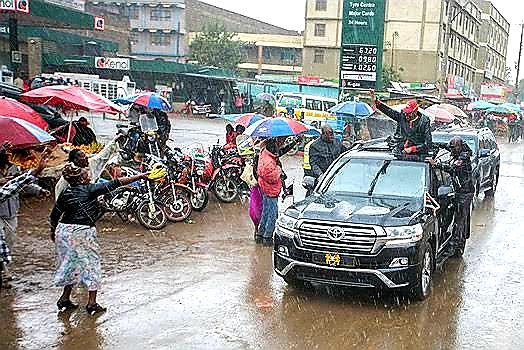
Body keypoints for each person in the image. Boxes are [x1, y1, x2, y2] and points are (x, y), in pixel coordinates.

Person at [50, 164, 149, 315]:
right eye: (87, 174)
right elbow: (117, 182)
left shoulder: (65, 192)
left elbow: (54, 215)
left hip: (63, 231)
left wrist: (53, 231)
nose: (90, 176)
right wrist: (141, 176)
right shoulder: (90, 189)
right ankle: (92, 303)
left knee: (71, 264)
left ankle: (64, 299)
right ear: (82, 179)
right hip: (81, 231)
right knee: (91, 265)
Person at [0, 144, 48, 286]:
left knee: (8, 242)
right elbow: (11, 187)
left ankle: (4, 269)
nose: (9, 155)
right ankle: (3, 272)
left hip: (11, 211)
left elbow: (19, 183)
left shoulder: (14, 168)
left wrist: (38, 190)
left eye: (9, 152)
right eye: (5, 152)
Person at [427, 137, 474, 258]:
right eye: (451, 148)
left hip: (465, 193)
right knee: (459, 218)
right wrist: (433, 143)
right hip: (459, 191)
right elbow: (447, 146)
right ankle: (456, 241)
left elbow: (452, 169)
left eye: (453, 148)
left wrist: (436, 164)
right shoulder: (457, 149)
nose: (451, 150)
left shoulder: (463, 158)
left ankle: (454, 246)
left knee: (460, 220)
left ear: (459, 147)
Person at [54, 137, 120, 200]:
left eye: (85, 155)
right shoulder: (69, 175)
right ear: (76, 160)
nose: (86, 158)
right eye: (83, 156)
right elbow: (59, 191)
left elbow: (102, 156)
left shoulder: (90, 163)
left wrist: (114, 141)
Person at [370, 91, 433, 155]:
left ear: (415, 111)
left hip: (416, 154)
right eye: (405, 113)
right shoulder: (402, 116)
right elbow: (390, 111)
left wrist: (412, 149)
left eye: (408, 113)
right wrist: (377, 102)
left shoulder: (424, 121)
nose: (406, 115)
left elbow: (428, 144)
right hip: (399, 149)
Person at [256, 140, 282, 246]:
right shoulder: (269, 162)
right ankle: (268, 236)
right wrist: (279, 169)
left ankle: (260, 234)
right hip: (271, 190)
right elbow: (272, 177)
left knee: (265, 212)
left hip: (265, 188)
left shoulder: (264, 154)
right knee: (272, 214)